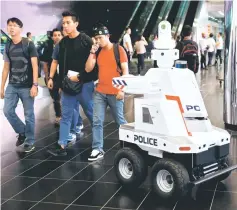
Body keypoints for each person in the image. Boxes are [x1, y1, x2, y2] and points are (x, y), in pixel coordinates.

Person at [47, 11, 94, 156]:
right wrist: (50, 77)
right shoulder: (63, 43)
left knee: (90, 112)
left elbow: (94, 61)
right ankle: (61, 145)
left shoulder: (86, 40)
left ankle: (98, 143)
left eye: (68, 23)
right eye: (63, 23)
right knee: (66, 115)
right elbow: (55, 61)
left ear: (76, 24)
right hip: (67, 84)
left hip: (84, 83)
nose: (65, 26)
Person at [85, 25, 128, 161]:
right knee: (97, 121)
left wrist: (122, 89)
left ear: (107, 36)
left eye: (100, 38)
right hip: (100, 92)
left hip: (115, 92)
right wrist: (92, 52)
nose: (98, 41)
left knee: (120, 121)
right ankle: (97, 149)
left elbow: (125, 71)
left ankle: (129, 145)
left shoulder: (118, 49)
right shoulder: (97, 51)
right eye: (96, 38)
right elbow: (88, 69)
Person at [1, 17, 38, 152]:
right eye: (9, 25)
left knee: (29, 114)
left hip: (27, 85)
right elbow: (6, 68)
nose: (11, 28)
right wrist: (2, 87)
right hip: (12, 85)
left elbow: (35, 66)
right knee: (7, 111)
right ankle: (22, 132)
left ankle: (30, 141)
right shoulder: (8, 45)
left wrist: (35, 85)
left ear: (20, 28)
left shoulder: (28, 44)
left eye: (14, 25)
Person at [41, 28, 63, 124]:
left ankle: (66, 116)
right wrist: (47, 77)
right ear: (52, 37)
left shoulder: (65, 46)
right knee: (55, 97)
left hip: (63, 75)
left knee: (65, 97)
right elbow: (45, 63)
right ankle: (58, 115)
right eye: (55, 35)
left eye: (59, 35)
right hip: (52, 75)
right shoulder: (48, 48)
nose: (57, 37)